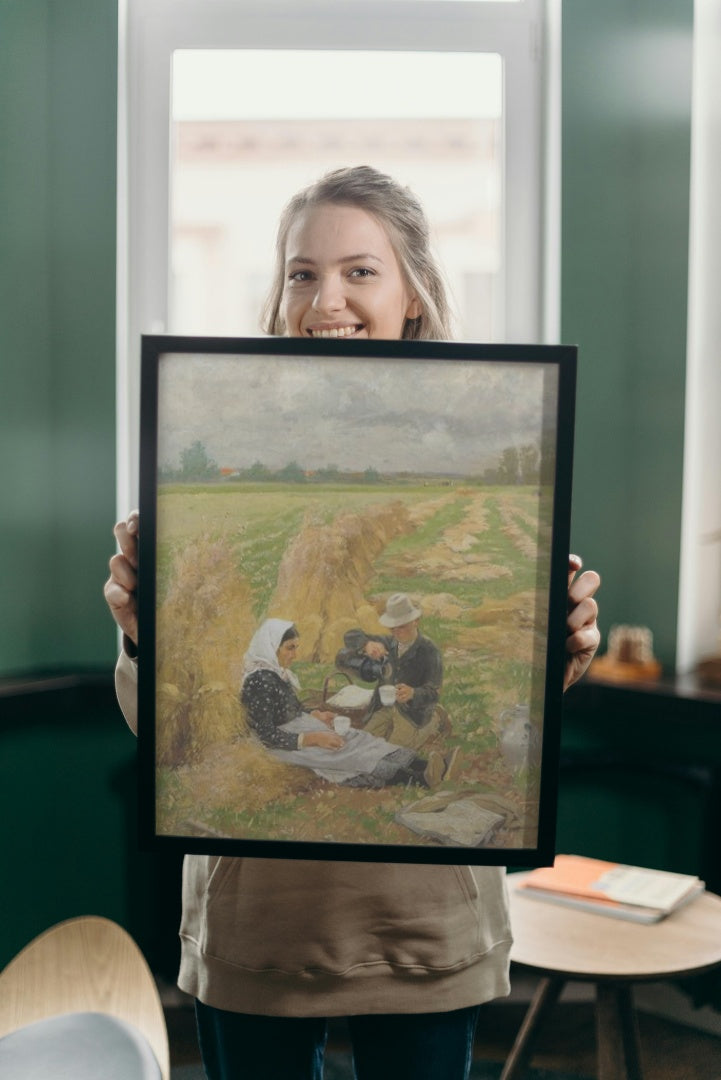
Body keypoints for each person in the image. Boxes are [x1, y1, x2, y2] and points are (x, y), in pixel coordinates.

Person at [105, 165, 601, 1080]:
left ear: (413, 292)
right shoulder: (202, 427)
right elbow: (169, 736)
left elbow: (508, 728)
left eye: (359, 271)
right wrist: (144, 637)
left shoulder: (494, 440)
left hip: (423, 924)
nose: (324, 297)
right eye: (301, 272)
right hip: (257, 926)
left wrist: (557, 653)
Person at [241, 617, 447, 788]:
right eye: (289, 648)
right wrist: (312, 739)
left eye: (295, 648)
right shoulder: (259, 681)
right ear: (271, 647)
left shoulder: (276, 673)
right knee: (345, 752)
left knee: (357, 737)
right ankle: (417, 779)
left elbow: (290, 708)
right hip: (284, 743)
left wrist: (315, 715)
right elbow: (265, 734)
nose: (295, 655)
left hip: (299, 727)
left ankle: (428, 765)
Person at [336, 592, 448, 752]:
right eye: (392, 627)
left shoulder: (429, 651)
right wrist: (367, 644)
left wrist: (413, 693)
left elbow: (434, 693)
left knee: (392, 752)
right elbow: (350, 636)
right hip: (384, 707)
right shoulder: (388, 643)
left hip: (412, 713)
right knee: (361, 745)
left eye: (401, 626)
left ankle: (434, 723)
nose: (396, 632)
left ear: (415, 621)